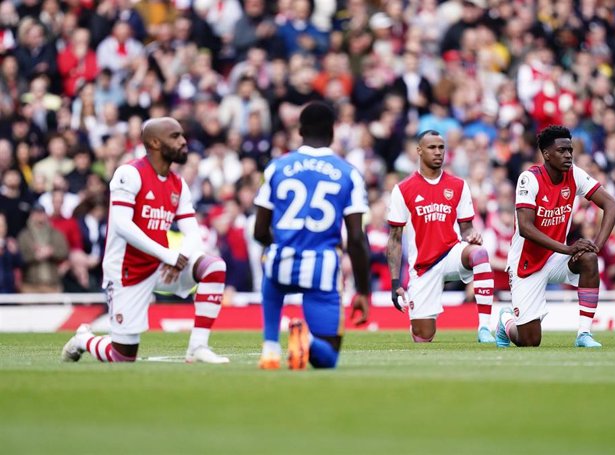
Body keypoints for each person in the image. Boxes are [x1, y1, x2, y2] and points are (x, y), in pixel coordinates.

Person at [62, 117, 229, 364]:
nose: (183, 141)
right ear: (154, 142)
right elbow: (122, 225)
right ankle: (83, 339)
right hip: (126, 272)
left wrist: (179, 258)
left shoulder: (178, 184)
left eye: (182, 135)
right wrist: (169, 255)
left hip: (161, 267)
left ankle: (197, 347)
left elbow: (193, 232)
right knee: (123, 357)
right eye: (175, 136)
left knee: (214, 266)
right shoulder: (129, 173)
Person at [253, 101, 370, 370]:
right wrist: (363, 290)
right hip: (322, 267)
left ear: (300, 131)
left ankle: (270, 345)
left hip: (281, 260)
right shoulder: (348, 173)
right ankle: (305, 339)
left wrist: (281, 246)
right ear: (332, 131)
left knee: (272, 273)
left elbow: (259, 231)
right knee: (327, 358)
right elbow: (355, 237)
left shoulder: (276, 168)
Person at [496, 125, 615, 348]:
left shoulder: (574, 174)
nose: (568, 155)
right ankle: (506, 321)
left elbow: (612, 205)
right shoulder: (529, 178)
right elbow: (525, 228)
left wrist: (596, 246)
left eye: (570, 150)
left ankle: (584, 334)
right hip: (527, 262)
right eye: (562, 151)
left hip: (555, 257)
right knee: (529, 341)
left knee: (590, 260)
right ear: (546, 154)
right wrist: (568, 249)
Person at [386, 130, 496, 344]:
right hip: (423, 267)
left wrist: (471, 235)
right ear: (419, 151)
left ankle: (485, 327)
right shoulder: (403, 189)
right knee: (423, 336)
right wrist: (394, 282)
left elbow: (466, 228)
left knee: (480, 253)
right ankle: (418, 320)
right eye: (432, 147)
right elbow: (395, 239)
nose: (438, 152)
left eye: (441, 147)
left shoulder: (459, 185)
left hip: (451, 253)